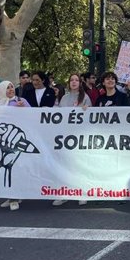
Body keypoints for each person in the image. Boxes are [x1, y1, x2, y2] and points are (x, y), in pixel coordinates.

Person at [53, 74, 90, 207]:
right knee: (65, 165)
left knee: (80, 165)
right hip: (66, 136)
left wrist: (88, 109)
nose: (74, 82)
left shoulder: (85, 97)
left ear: (80, 83)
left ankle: (82, 192)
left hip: (80, 136)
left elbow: (91, 116)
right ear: (68, 83)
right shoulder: (64, 98)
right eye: (71, 80)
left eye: (76, 80)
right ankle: (64, 193)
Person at [0, 81, 30, 211]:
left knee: (15, 169)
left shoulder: (22, 101)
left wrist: (23, 109)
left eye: (11, 87)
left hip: (17, 140)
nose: (10, 89)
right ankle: (10, 196)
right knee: (4, 168)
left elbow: (34, 117)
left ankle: (15, 197)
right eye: (7, 88)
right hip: (2, 142)